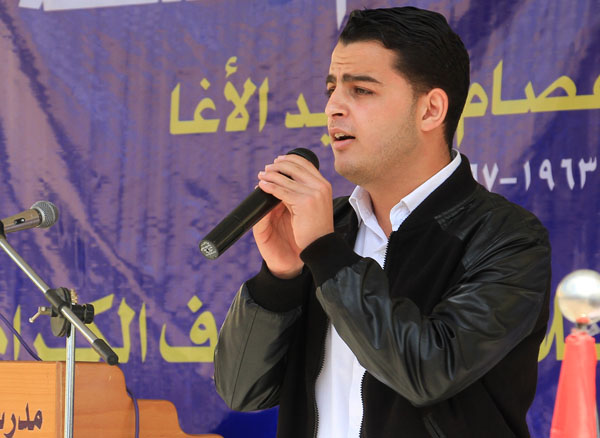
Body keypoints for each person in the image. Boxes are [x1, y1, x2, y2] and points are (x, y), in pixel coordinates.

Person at [213, 7, 550, 437]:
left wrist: (326, 254)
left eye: (361, 90)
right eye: (331, 89)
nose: (333, 107)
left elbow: (428, 370)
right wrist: (280, 278)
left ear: (430, 110)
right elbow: (240, 390)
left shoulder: (507, 239)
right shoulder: (329, 226)